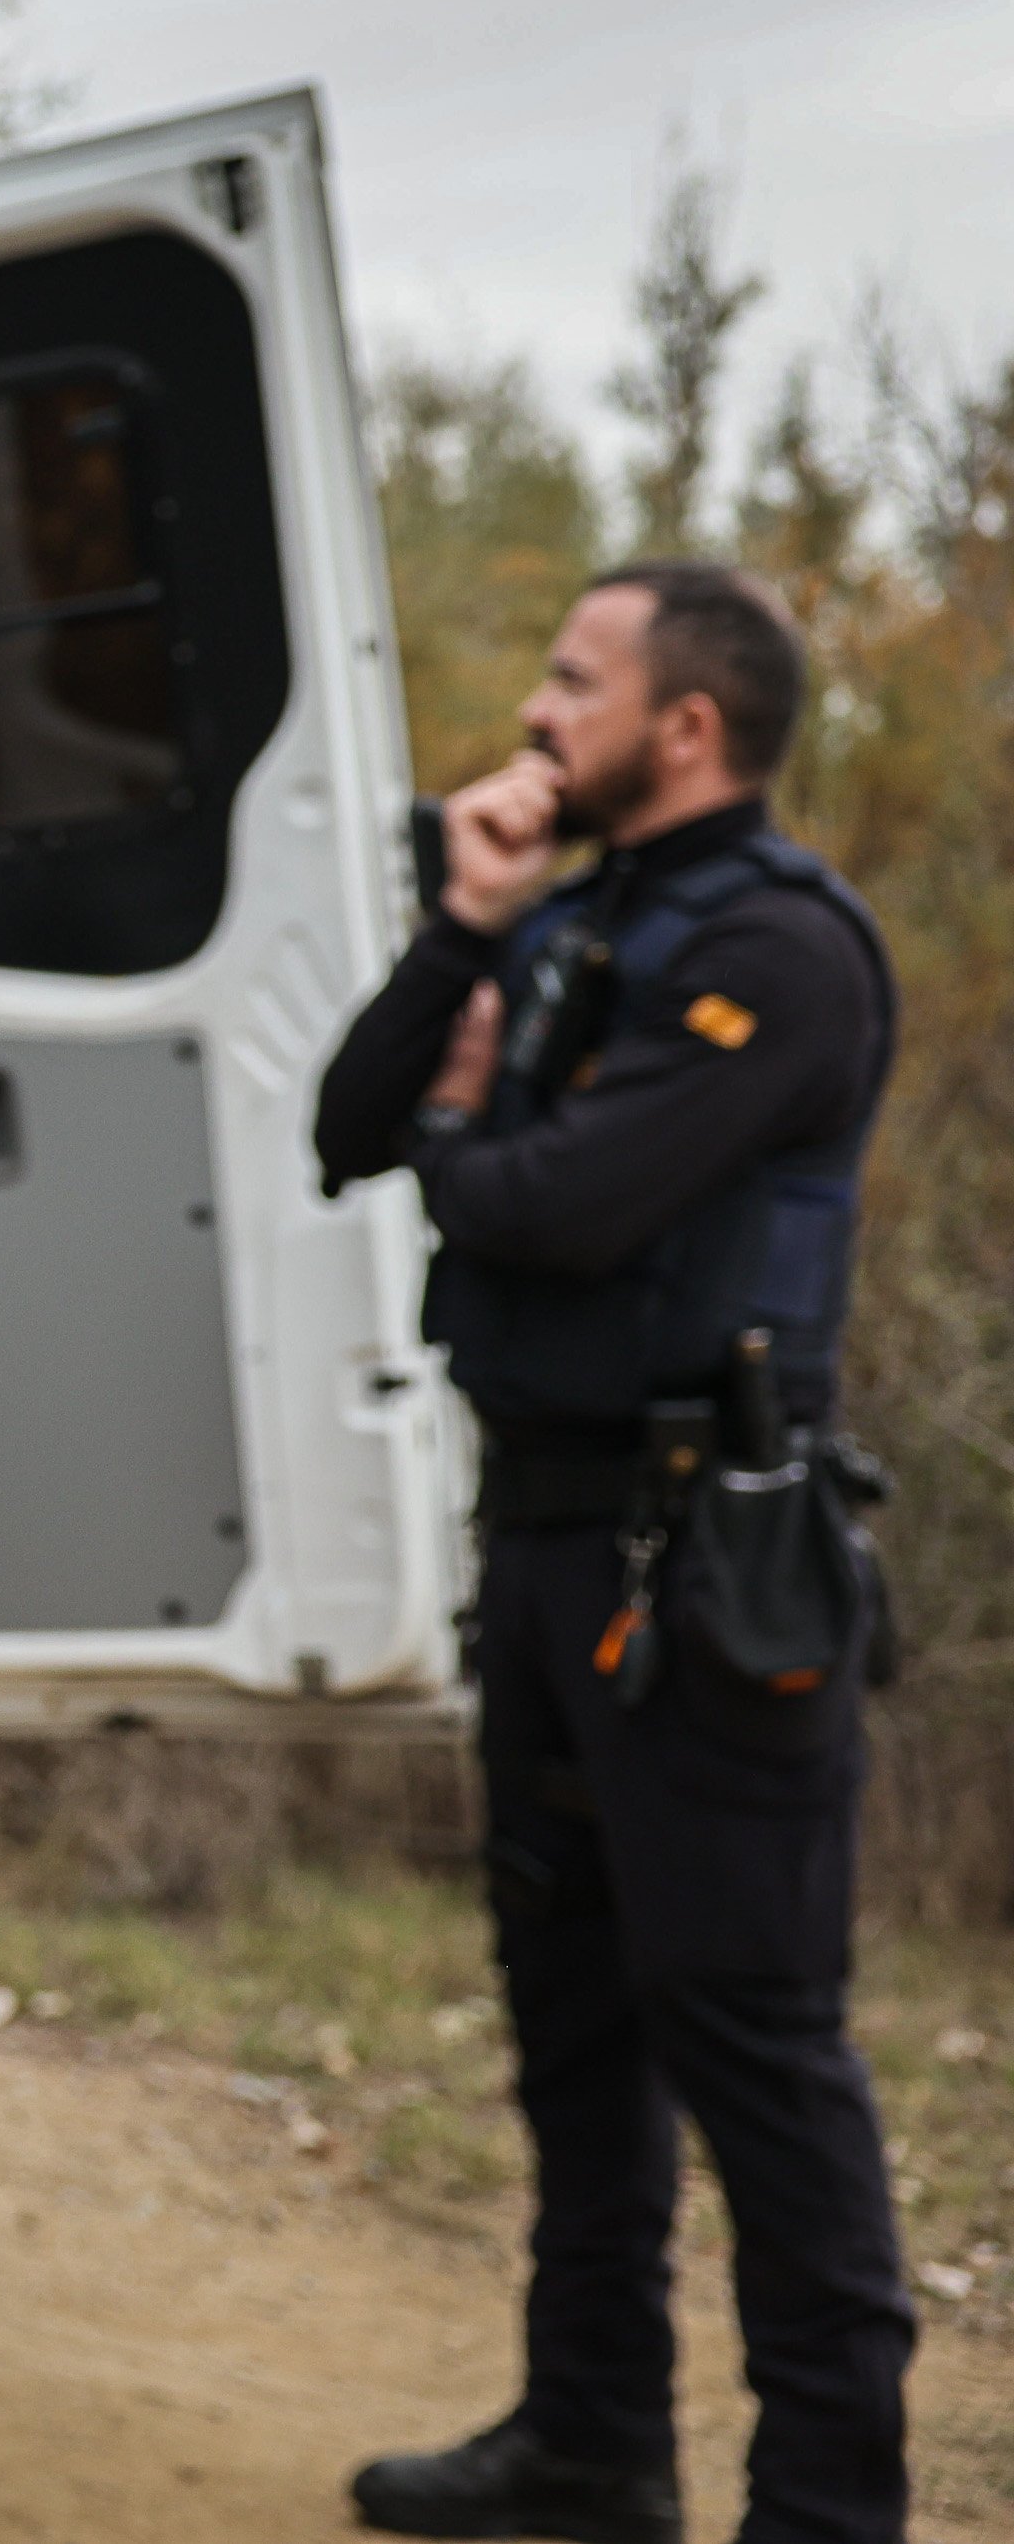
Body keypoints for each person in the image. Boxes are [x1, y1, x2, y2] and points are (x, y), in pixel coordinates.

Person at [316, 564, 911, 2544]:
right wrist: (460, 931)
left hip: (711, 1565)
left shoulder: (783, 950)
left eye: (577, 680)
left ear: (687, 725)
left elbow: (565, 1207)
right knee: (574, 2023)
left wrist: (470, 1155)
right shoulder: (569, 918)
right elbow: (347, 1119)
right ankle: (595, 2440)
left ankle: (829, 2506)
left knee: (754, 2040)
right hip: (552, 1546)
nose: (537, 712)